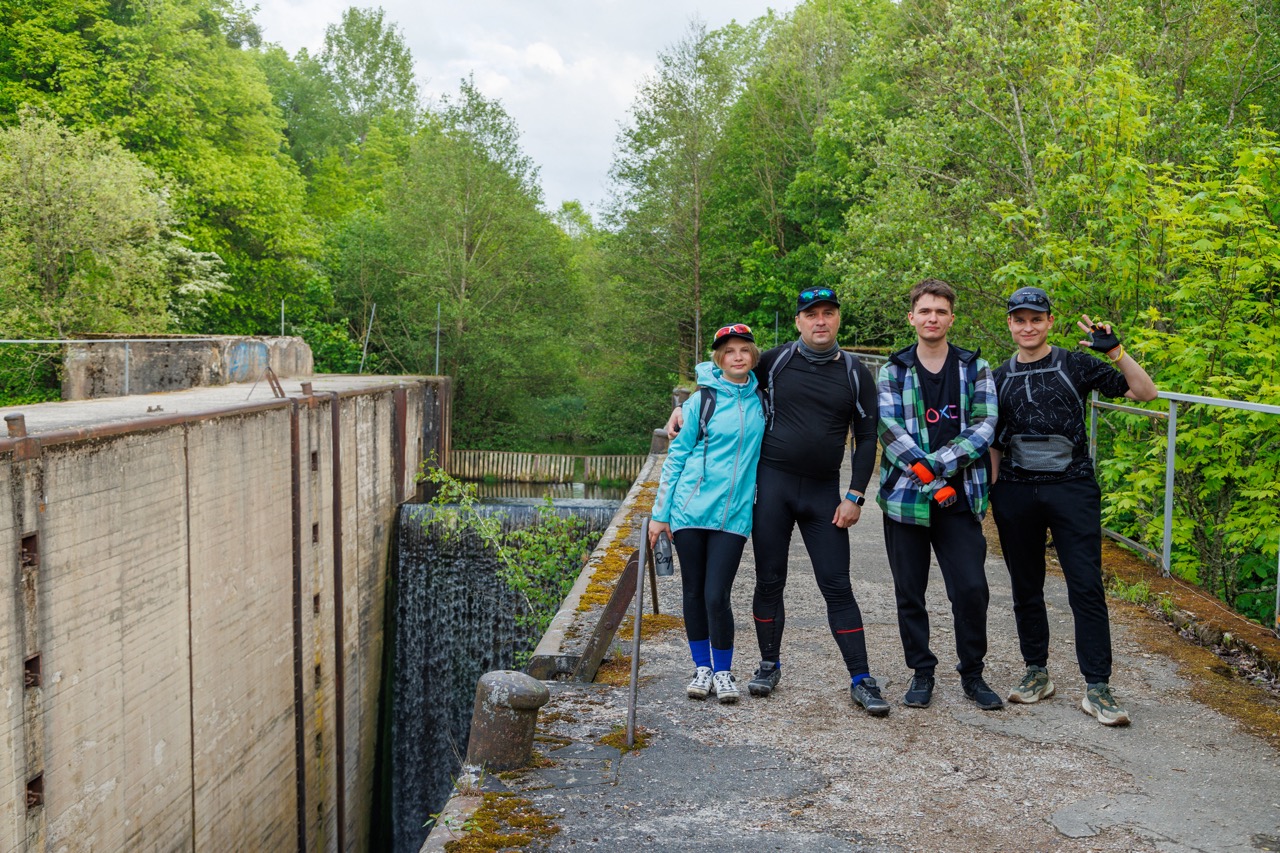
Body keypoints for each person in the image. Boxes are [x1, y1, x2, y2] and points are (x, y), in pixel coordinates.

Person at [666, 288, 887, 716]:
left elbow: (866, 438)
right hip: (773, 489)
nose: (820, 321)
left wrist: (855, 495)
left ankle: (861, 677)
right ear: (798, 322)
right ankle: (768, 664)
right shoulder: (777, 360)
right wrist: (680, 410)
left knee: (837, 585)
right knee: (770, 581)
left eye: (828, 313)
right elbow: (728, 375)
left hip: (825, 493)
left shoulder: (857, 373)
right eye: (811, 315)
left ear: (838, 319)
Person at [991, 286, 1158, 726]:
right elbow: (991, 441)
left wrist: (1117, 352)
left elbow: (1146, 393)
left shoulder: (1075, 363)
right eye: (1019, 319)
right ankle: (1036, 672)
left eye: (1036, 319)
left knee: (1085, 586)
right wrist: (990, 496)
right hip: (1014, 490)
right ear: (1009, 324)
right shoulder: (996, 375)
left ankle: (1097, 687)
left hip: (1072, 488)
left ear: (1049, 322)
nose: (1028, 327)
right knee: (1026, 586)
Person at [876, 278, 1002, 710]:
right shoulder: (892, 370)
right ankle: (921, 671)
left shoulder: (975, 368)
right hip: (905, 501)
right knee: (909, 591)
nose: (932, 318)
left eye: (940, 311)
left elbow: (985, 426)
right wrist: (933, 481)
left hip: (962, 498)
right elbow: (890, 431)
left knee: (970, 589)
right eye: (925, 311)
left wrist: (941, 466)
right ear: (912, 317)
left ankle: (973, 673)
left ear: (951, 317)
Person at [650, 323, 766, 704]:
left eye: (744, 350)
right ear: (718, 359)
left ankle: (723, 671)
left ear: (753, 356)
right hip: (689, 511)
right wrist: (659, 514)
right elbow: (676, 457)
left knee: (718, 594)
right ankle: (702, 668)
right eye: (729, 351)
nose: (737, 356)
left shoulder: (763, 400)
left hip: (733, 517)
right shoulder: (703, 401)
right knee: (694, 592)